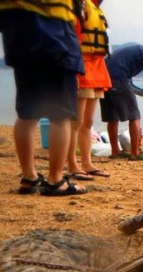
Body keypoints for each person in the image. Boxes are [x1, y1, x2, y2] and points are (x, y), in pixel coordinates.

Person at [0, 0, 87, 196]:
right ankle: (55, 180)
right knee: (61, 115)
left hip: (19, 40)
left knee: (27, 114)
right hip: (56, 39)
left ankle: (29, 176)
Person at [65, 0, 112, 180]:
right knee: (75, 121)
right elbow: (73, 37)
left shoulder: (95, 9)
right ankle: (72, 164)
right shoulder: (80, 6)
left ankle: (87, 162)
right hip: (82, 66)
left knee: (88, 122)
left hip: (97, 68)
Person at [100, 41, 143, 161]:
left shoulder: (129, 55)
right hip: (118, 79)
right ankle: (135, 152)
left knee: (112, 118)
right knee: (134, 116)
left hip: (104, 80)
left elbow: (129, 84)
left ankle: (115, 151)